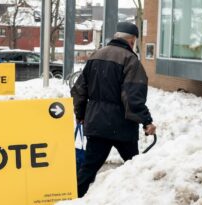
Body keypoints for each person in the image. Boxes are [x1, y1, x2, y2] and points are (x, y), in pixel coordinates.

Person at [71, 22, 157, 198]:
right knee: (134, 167)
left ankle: (74, 199)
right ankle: (139, 198)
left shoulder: (96, 56)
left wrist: (80, 115)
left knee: (88, 169)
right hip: (122, 126)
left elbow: (79, 90)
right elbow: (133, 98)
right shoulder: (131, 60)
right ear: (132, 40)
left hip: (97, 125)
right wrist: (146, 121)